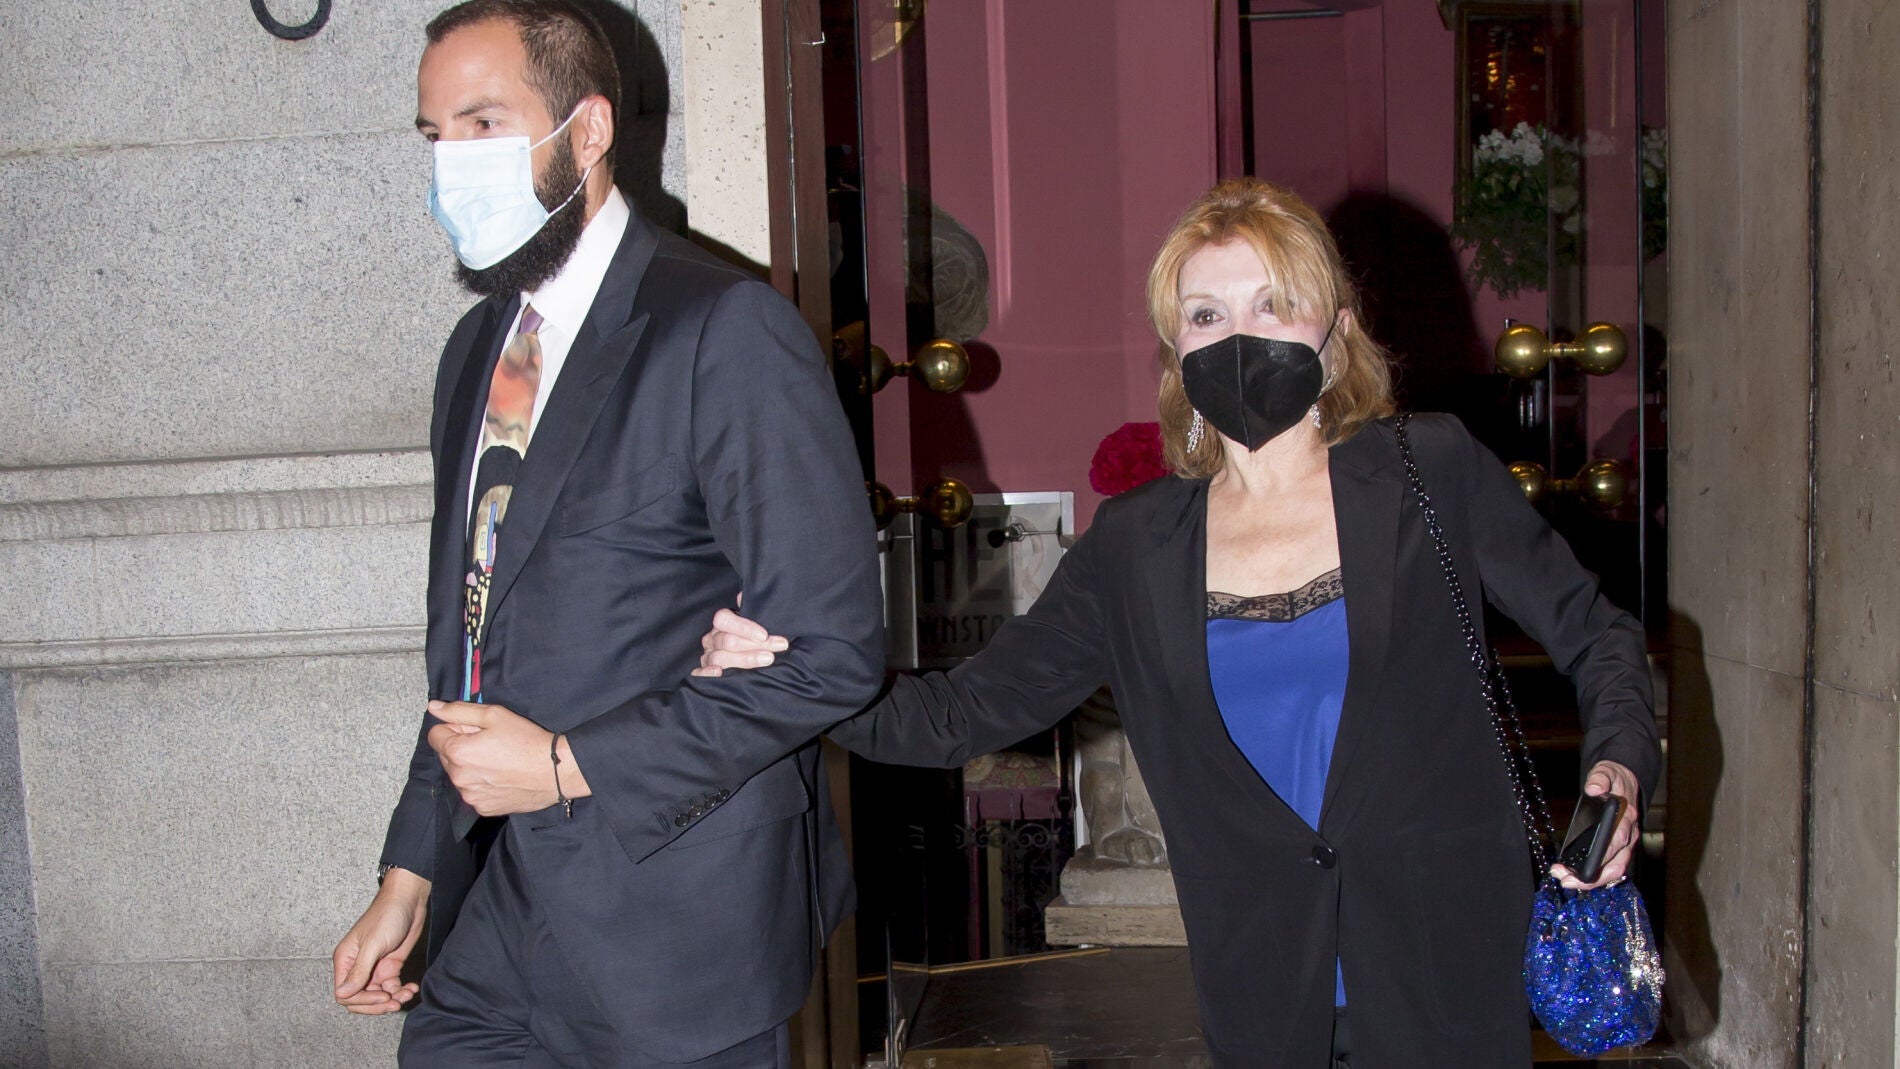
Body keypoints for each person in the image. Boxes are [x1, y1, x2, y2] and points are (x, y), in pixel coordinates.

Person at [696, 177, 1661, 1068]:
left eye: (1270, 304)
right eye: (1206, 315)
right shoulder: (1134, 547)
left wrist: (1618, 766)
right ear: (1177, 352)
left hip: (1444, 966)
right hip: (1261, 991)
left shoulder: (1430, 473)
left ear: (1335, 330)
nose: (1238, 337)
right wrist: (792, 676)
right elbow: (965, 712)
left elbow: (1597, 634)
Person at [328, 3, 885, 1065]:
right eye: (436, 135)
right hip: (498, 919)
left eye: (484, 124)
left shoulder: (724, 329)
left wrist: (564, 764)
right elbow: (472, 638)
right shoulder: (476, 350)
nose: (453, 165)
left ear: (586, 132)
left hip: (678, 934)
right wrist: (411, 873)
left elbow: (831, 655)